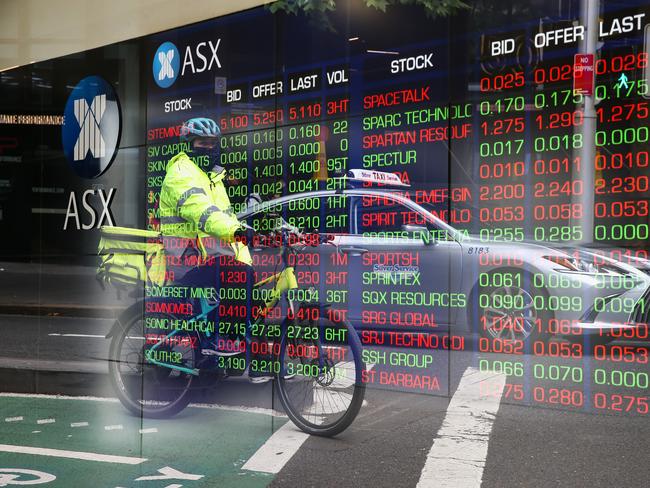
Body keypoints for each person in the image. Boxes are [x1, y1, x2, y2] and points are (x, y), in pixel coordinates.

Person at [158, 117, 271, 383]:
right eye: (202, 143)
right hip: (187, 259)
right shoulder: (180, 173)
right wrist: (236, 232)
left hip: (211, 258)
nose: (208, 148)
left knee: (251, 296)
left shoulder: (214, 177)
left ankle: (251, 361)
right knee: (238, 279)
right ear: (189, 145)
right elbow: (202, 213)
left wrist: (248, 231)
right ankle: (220, 343)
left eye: (212, 143)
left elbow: (226, 218)